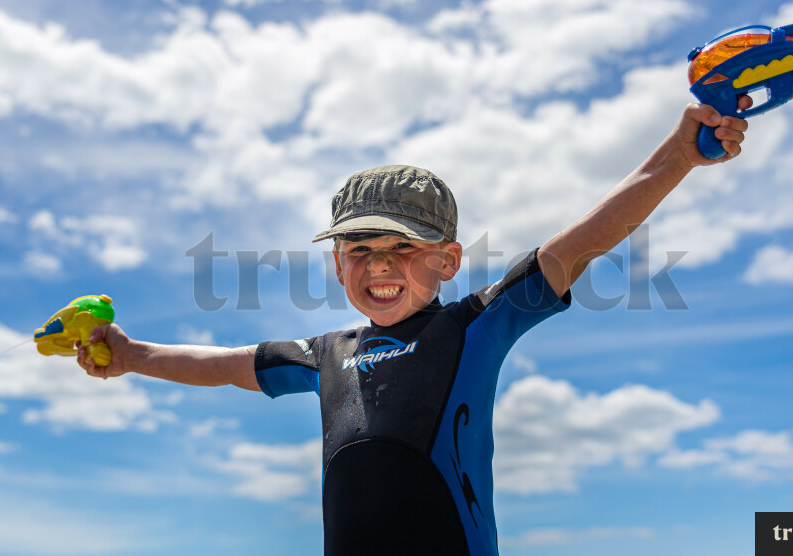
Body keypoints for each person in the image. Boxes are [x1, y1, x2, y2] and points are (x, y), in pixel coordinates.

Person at [78, 99, 751, 555]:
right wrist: (131, 354)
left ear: (448, 260)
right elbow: (224, 365)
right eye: (359, 249)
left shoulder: (473, 326)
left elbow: (582, 241)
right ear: (338, 263)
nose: (380, 265)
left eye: (403, 246)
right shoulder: (325, 354)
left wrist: (678, 155)